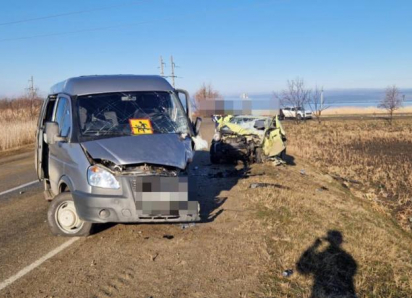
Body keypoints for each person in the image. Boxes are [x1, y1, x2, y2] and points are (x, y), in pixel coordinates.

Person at [297, 230, 357, 298]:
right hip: (345, 294)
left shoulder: (319, 257)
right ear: (340, 242)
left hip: (324, 294)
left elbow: (301, 267)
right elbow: (353, 270)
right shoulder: (348, 259)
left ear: (327, 242)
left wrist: (313, 247)